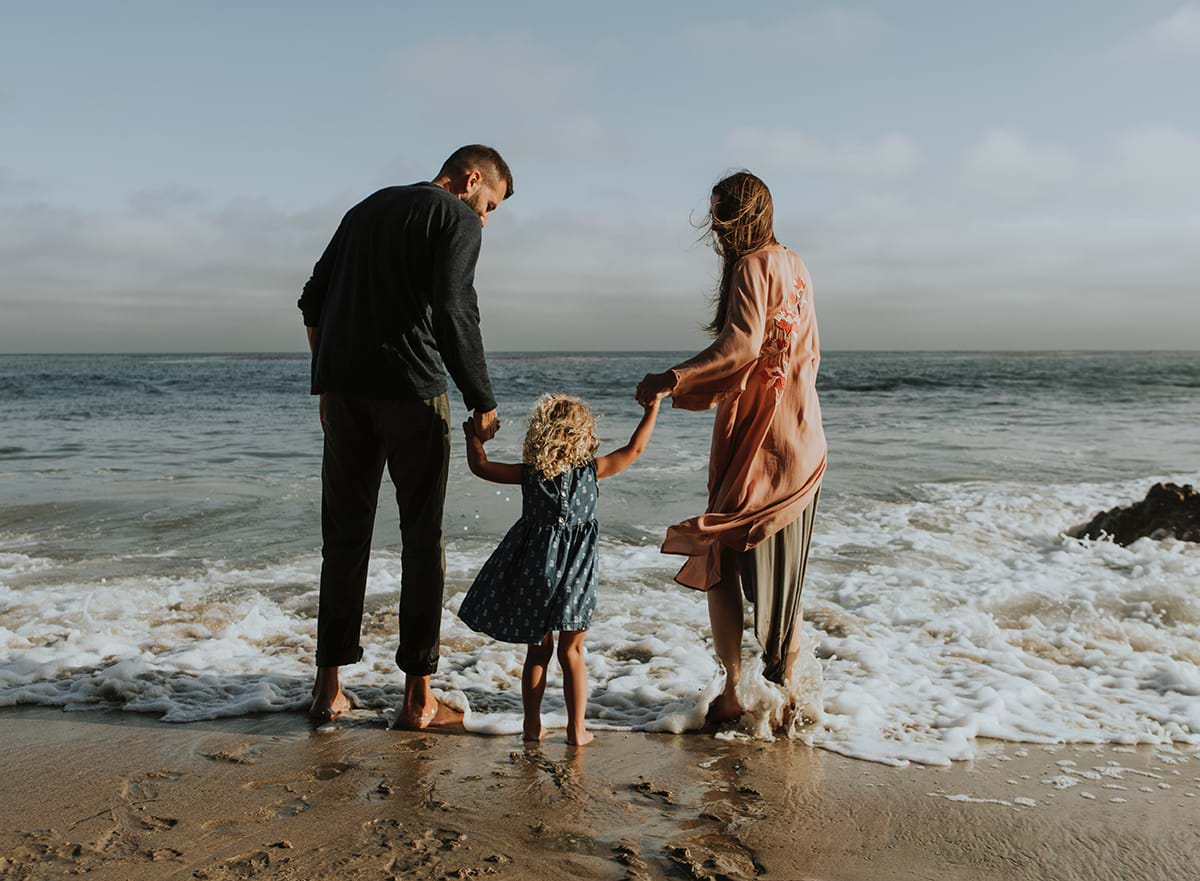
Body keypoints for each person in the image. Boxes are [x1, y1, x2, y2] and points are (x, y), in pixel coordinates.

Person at [298, 145, 513, 725]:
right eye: (490, 204)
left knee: (343, 540)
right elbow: (453, 307)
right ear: (471, 180)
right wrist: (481, 397)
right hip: (413, 394)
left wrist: (327, 381)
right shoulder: (456, 217)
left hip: (343, 395)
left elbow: (311, 299)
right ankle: (418, 698)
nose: (485, 218)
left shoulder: (365, 209)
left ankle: (328, 690)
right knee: (422, 541)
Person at [636, 171, 826, 726]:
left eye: (719, 221)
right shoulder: (797, 265)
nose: (717, 236)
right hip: (804, 437)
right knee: (783, 574)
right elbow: (807, 354)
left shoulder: (751, 265)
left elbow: (741, 344)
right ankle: (786, 695)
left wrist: (673, 378)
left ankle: (733, 691)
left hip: (757, 440)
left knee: (719, 555)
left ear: (733, 219)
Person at [456, 394, 661, 746]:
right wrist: (652, 408)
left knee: (538, 651)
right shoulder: (592, 470)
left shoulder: (530, 474)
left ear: (540, 434)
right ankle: (576, 730)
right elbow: (635, 449)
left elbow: (482, 467)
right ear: (584, 434)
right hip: (576, 574)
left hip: (535, 570)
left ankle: (532, 727)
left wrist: (472, 437)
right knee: (572, 652)